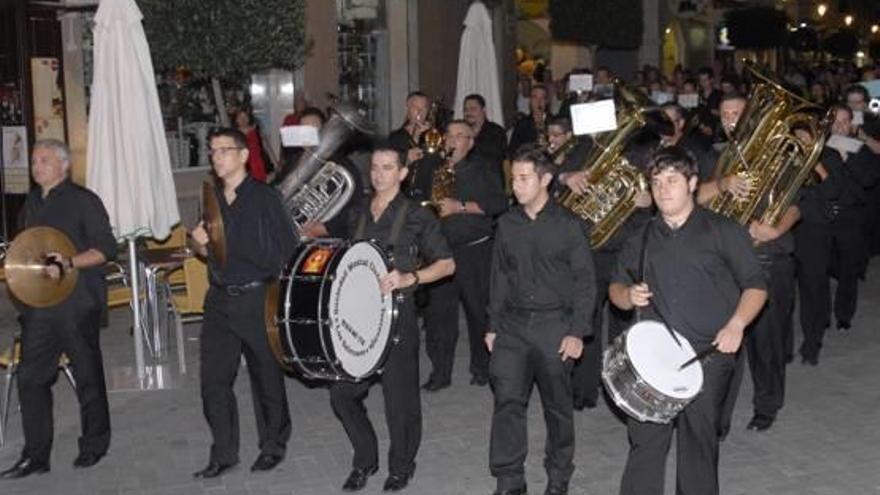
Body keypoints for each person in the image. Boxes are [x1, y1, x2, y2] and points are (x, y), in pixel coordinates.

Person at [609, 146, 767, 495]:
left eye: (672, 180)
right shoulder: (642, 237)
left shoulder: (723, 230)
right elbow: (615, 288)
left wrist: (737, 325)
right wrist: (627, 295)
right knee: (645, 444)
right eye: (656, 182)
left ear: (693, 183)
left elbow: (756, 286)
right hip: (654, 361)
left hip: (708, 354)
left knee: (699, 445)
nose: (663, 189)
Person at [327, 146, 455, 492]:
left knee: (400, 403)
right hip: (360, 317)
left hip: (399, 315)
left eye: (387, 168)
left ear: (402, 173)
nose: (379, 174)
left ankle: (401, 466)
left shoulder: (417, 215)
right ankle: (365, 458)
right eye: (375, 167)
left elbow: (447, 264)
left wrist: (410, 277)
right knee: (342, 393)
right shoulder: (358, 213)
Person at [0, 139, 117, 479]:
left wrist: (69, 262)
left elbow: (105, 249)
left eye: (45, 160)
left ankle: (94, 445)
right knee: (30, 378)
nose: (37, 167)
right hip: (40, 306)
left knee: (87, 377)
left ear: (64, 165)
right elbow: (29, 249)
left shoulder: (85, 201)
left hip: (78, 303)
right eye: (34, 161)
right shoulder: (32, 203)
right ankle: (36, 456)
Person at [486, 145, 596, 495]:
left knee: (558, 408)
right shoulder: (506, 224)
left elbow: (585, 282)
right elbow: (499, 277)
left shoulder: (569, 225)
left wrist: (577, 331)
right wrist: (492, 325)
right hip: (513, 328)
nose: (516, 186)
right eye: (513, 178)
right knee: (507, 401)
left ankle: (559, 473)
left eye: (523, 178)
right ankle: (509, 477)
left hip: (555, 326)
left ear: (545, 179)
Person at [189, 128, 297, 478]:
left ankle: (273, 445)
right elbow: (206, 253)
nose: (217, 157)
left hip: (256, 296)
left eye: (224, 150)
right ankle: (223, 452)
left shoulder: (265, 197)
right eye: (213, 151)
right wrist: (200, 244)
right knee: (213, 380)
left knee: (266, 377)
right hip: (219, 299)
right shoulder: (210, 198)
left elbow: (287, 248)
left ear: (243, 155)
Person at [420, 120, 507, 391]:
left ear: (471, 142)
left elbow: (499, 203)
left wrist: (461, 207)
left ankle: (481, 367)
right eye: (450, 134)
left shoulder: (484, 167)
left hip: (475, 249)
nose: (453, 140)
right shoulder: (433, 166)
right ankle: (440, 372)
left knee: (478, 313)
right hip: (441, 253)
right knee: (438, 316)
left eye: (461, 136)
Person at [463, 93, 507, 180]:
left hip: (490, 182)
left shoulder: (496, 132)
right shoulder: (461, 131)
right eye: (465, 110)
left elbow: (493, 161)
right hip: (465, 179)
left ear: (484, 110)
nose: (468, 113)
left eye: (473, 109)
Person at [388, 91, 432, 166]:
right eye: (415, 107)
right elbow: (390, 167)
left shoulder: (433, 135)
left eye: (424, 108)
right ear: (407, 109)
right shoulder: (395, 138)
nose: (420, 112)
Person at [234, 108, 275, 182]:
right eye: (240, 117)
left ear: (248, 119)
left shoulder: (255, 131)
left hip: (258, 165)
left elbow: (265, 146)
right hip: (245, 167)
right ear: (236, 120)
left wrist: (275, 162)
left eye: (245, 117)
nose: (243, 120)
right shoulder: (235, 135)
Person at [508, 85, 550, 155]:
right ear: (530, 101)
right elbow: (513, 150)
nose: (538, 102)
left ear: (547, 101)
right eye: (535, 97)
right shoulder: (522, 124)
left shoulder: (554, 122)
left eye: (542, 98)